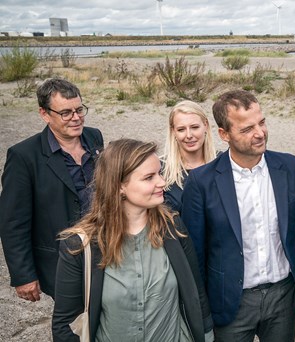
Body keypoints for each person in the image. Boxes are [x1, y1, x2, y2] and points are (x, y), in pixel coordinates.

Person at [52, 139, 214, 341]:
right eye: (149, 177)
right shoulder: (80, 245)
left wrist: (207, 336)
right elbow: (64, 324)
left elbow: (196, 292)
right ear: (119, 186)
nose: (162, 182)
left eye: (159, 173)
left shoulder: (172, 227)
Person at [181, 89, 295, 342]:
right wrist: (202, 311)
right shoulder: (201, 182)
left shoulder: (291, 167)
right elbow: (194, 253)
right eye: (247, 129)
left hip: (283, 297)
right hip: (230, 301)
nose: (260, 133)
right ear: (224, 134)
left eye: (261, 122)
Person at [0, 78, 103, 301]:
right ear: (45, 114)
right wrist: (23, 275)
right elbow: (13, 221)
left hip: (102, 250)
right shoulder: (23, 156)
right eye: (65, 113)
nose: (76, 118)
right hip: (62, 260)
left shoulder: (95, 137)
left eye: (79, 109)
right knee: (70, 326)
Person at [162, 100, 216, 213]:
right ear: (173, 132)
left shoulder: (222, 164)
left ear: (205, 125)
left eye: (194, 127)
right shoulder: (160, 169)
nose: (189, 135)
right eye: (181, 129)